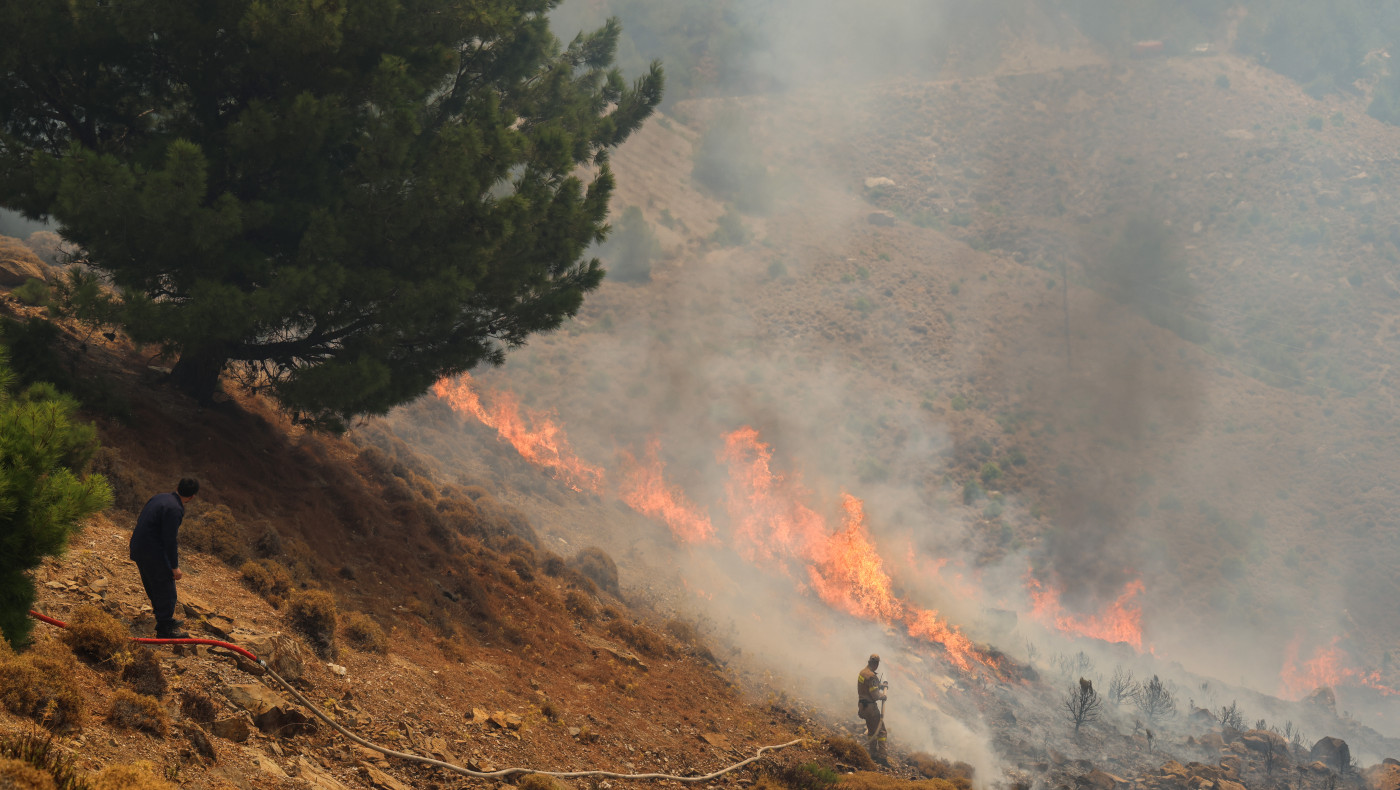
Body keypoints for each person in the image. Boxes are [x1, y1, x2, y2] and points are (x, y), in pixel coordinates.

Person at [129, 478, 199, 638]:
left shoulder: (159, 497)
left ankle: (163, 618)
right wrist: (174, 567)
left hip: (138, 545)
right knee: (167, 589)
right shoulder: (175, 509)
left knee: (153, 584)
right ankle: (165, 629)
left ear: (177, 487)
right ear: (192, 497)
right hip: (151, 550)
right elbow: (170, 540)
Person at [857, 653, 888, 763]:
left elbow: (868, 686)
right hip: (870, 708)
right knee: (881, 731)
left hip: (862, 706)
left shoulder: (862, 673)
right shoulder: (872, 676)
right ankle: (882, 757)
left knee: (871, 730)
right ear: (875, 664)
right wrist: (883, 696)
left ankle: (873, 753)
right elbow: (875, 695)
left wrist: (880, 686)